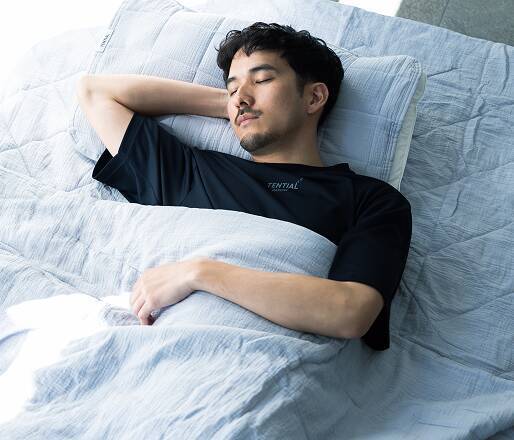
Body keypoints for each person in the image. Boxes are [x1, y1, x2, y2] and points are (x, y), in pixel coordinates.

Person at [77, 22, 412, 351]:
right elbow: (96, 92)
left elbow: (350, 311)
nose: (241, 98)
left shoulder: (371, 199)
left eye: (262, 80)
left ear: (314, 97)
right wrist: (231, 104)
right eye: (232, 88)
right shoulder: (194, 172)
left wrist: (201, 273)